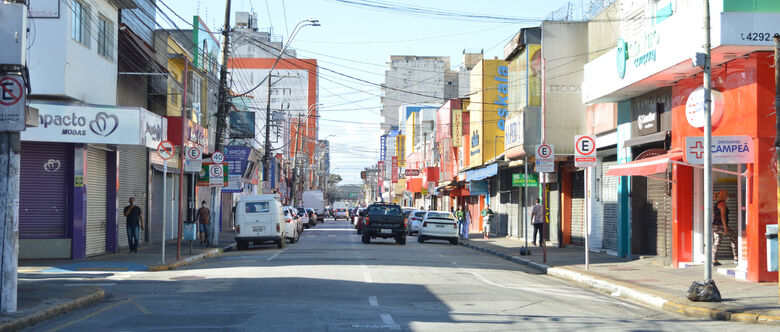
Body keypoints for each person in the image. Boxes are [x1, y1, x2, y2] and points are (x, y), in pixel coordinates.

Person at [712, 190, 737, 266]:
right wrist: (725, 227)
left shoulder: (717, 203)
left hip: (715, 226)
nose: (728, 197)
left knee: (717, 242)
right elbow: (723, 216)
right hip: (721, 226)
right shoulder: (722, 204)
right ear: (724, 196)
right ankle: (736, 257)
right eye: (727, 195)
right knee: (734, 238)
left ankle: (713, 259)